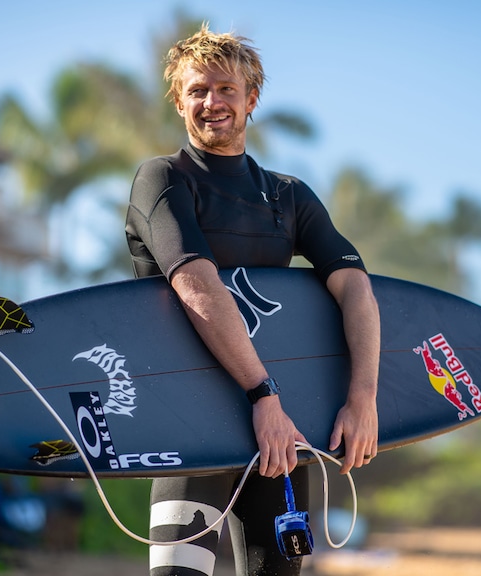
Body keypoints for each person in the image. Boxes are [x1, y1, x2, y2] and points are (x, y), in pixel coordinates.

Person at [125, 23, 380, 576]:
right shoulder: (163, 180)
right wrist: (262, 394)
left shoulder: (289, 196)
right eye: (197, 90)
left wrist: (363, 397)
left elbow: (355, 285)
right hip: (189, 429)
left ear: (251, 99)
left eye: (225, 89)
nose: (211, 102)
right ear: (178, 101)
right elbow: (195, 283)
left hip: (282, 442)